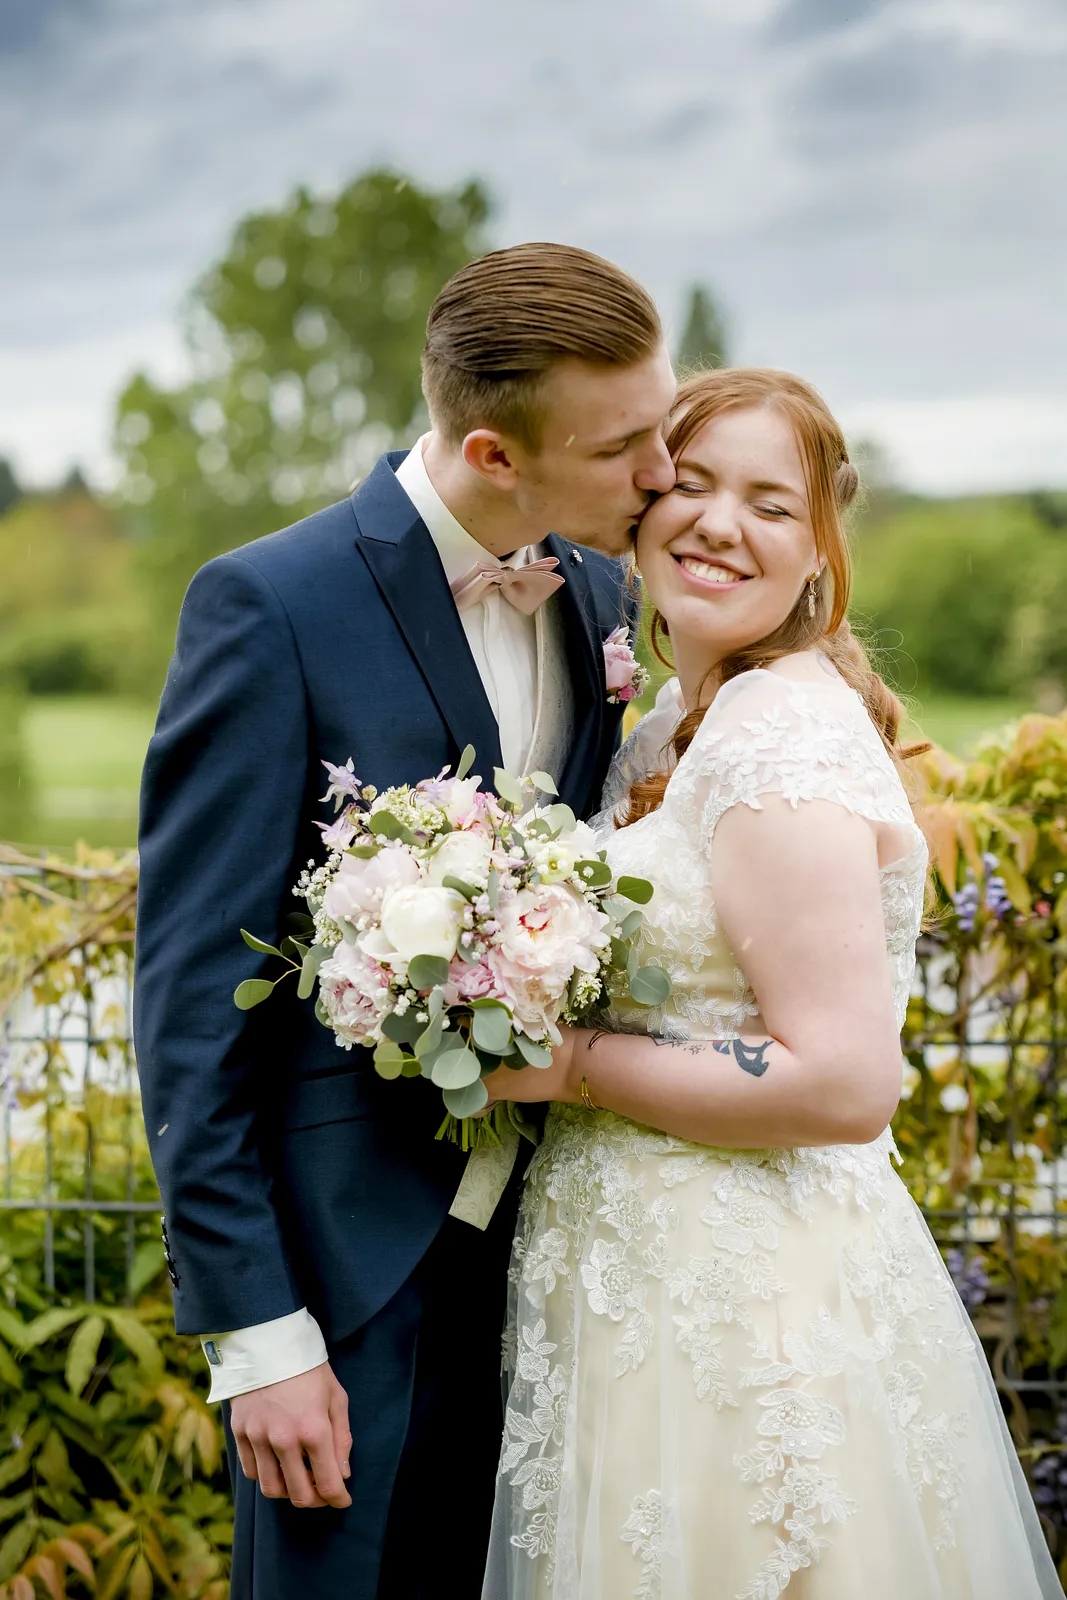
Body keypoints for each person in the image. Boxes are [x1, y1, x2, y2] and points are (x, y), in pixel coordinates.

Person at [134, 242, 677, 1600]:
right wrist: (257, 1329)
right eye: (623, 448)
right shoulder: (268, 605)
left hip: (562, 1269)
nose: (660, 475)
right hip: (347, 1284)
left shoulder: (607, 601)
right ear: (494, 452)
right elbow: (192, 1002)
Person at [480, 368, 1061, 1599]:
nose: (717, 524)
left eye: (768, 503)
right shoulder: (667, 731)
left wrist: (572, 1065)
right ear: (636, 504)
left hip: (745, 1310)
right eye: (688, 484)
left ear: (816, 554)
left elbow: (844, 1081)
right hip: (635, 1286)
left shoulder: (775, 735)